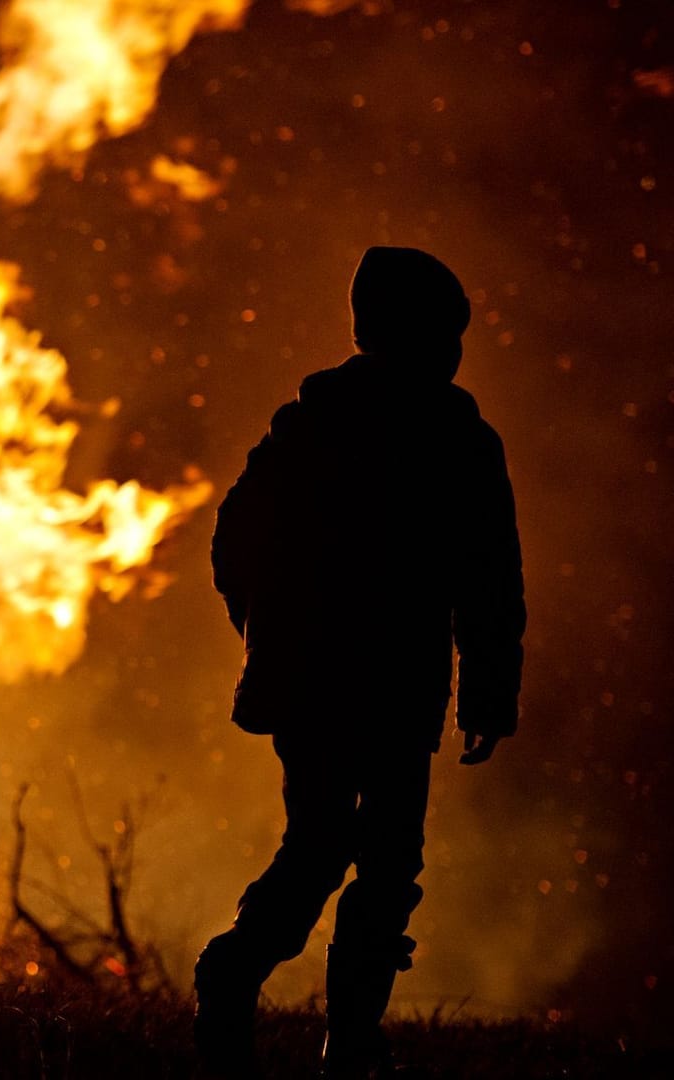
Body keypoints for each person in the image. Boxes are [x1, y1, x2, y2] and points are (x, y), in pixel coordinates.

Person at [194, 247, 526, 1078]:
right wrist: (486, 693)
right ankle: (310, 1015)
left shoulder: (315, 425)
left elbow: (237, 541)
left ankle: (298, 1006)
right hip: (377, 687)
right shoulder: (453, 440)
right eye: (446, 333)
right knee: (367, 855)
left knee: (340, 850)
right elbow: (489, 582)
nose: (453, 351)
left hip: (330, 686)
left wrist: (265, 635)